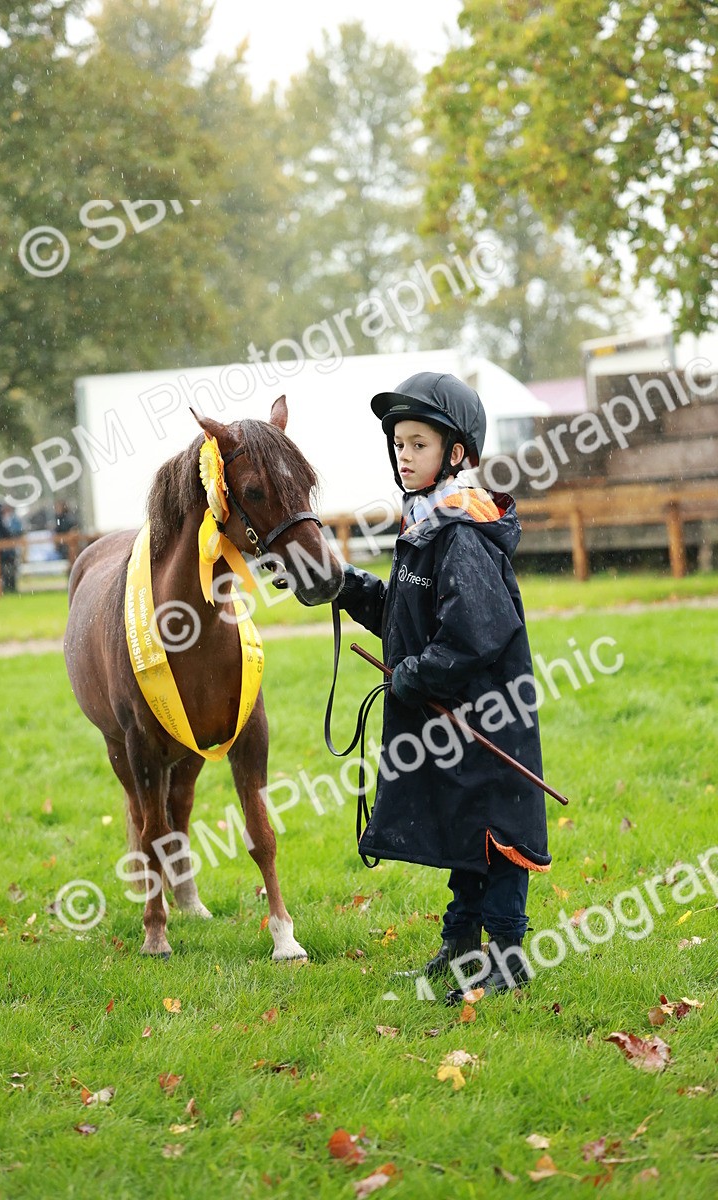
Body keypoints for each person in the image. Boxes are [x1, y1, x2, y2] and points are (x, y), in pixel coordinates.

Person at [333, 372, 551, 1002]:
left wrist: (410, 676)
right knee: (463, 825)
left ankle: (508, 957)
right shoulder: (424, 526)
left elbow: (475, 634)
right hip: (451, 719)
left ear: (455, 453)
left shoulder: (458, 532)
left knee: (497, 831)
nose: (404, 453)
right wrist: (346, 587)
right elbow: (410, 618)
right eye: (398, 442)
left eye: (418, 442)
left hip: (490, 719)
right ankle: (460, 945)